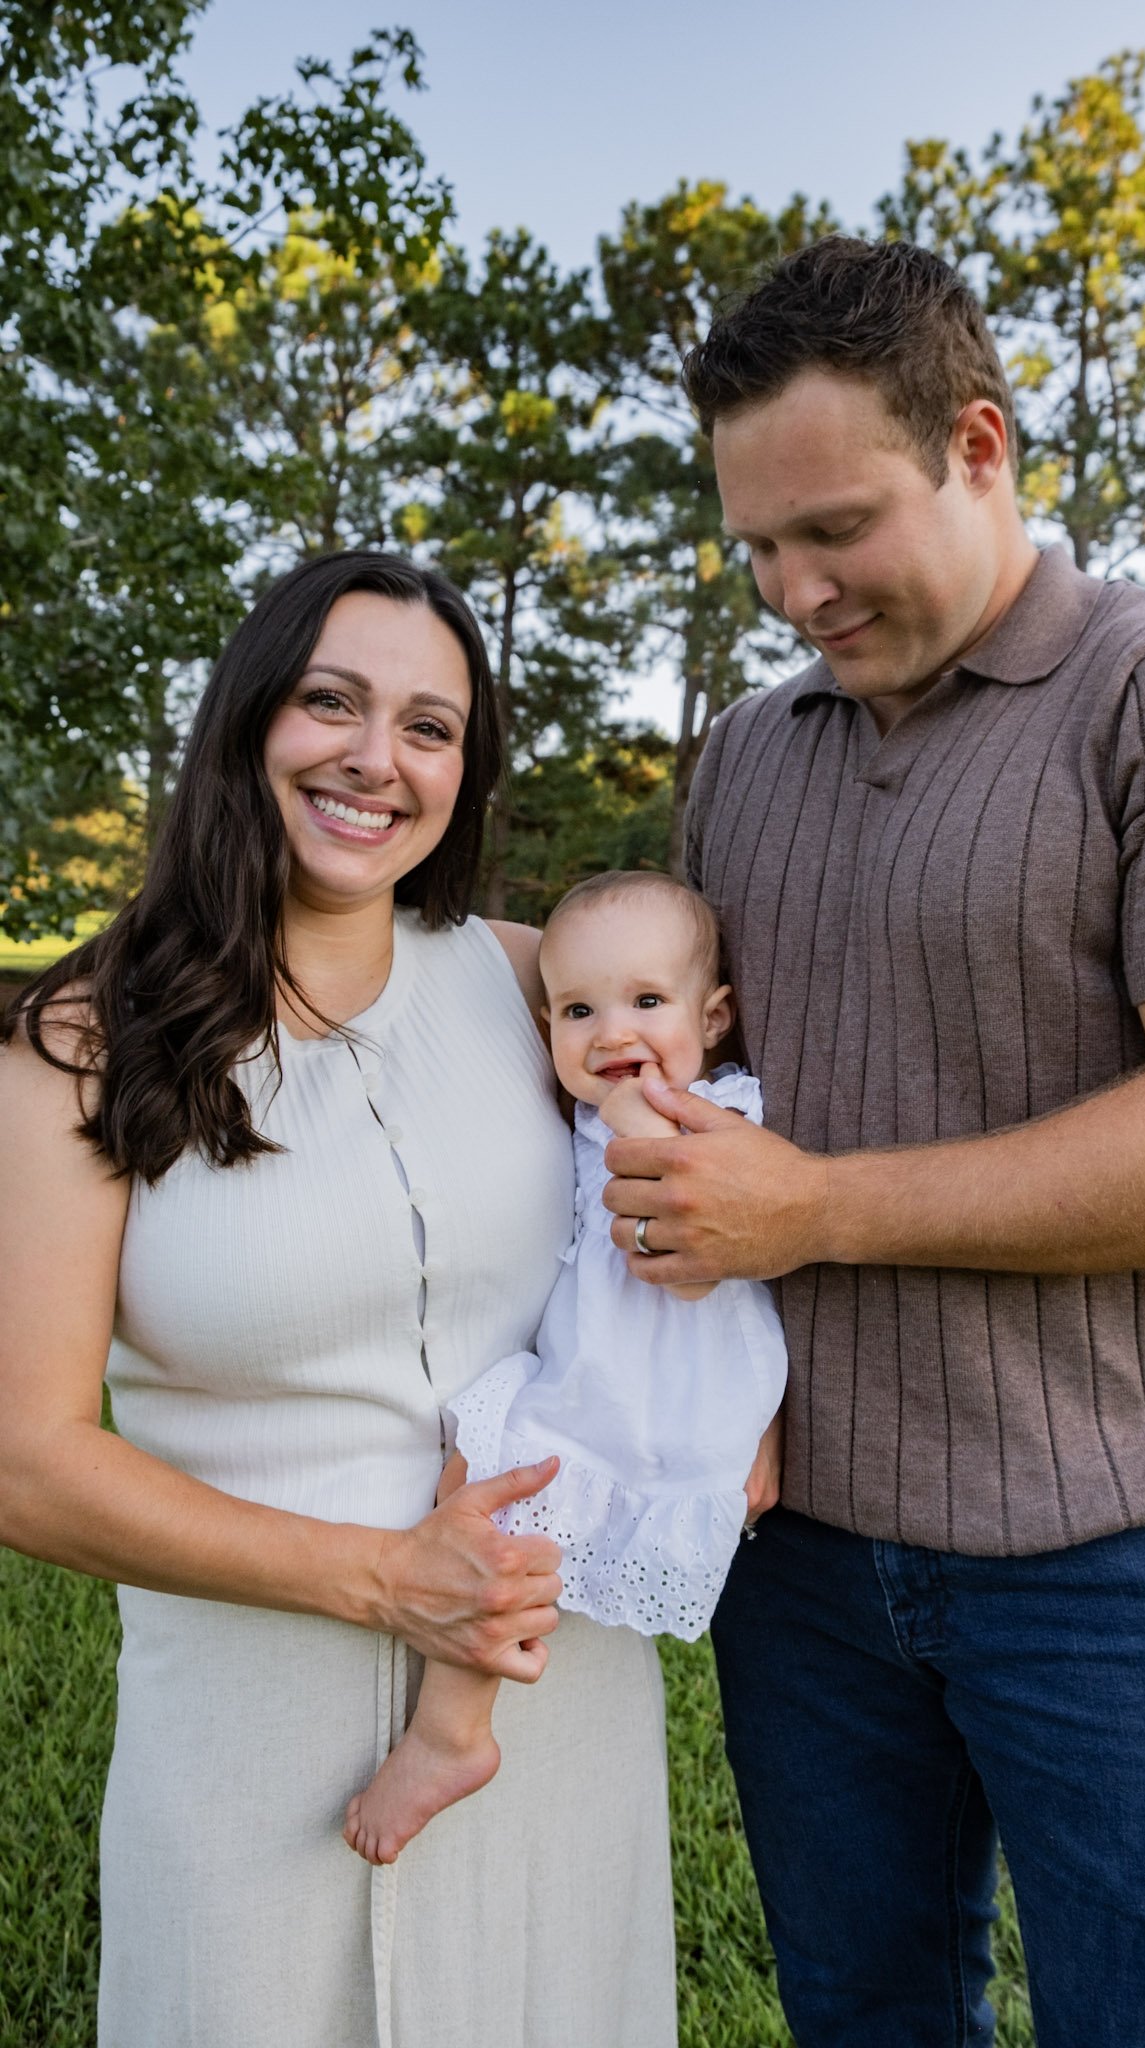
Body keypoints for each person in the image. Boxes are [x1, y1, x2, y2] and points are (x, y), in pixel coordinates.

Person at [597, 237, 1145, 2047]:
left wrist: (819, 1209)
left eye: (835, 529)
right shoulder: (745, 757)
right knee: (865, 2017)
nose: (793, 589)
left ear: (979, 445)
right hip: (801, 1565)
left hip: (1122, 1558)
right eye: (756, 546)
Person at [0, 552, 676, 2048]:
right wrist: (381, 1576)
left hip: (547, 1696)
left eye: (431, 728)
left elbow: (705, 1197)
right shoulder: (82, 1043)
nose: (378, 759)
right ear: (248, 719)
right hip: (252, 1729)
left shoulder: (530, 986)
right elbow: (23, 1459)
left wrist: (742, 1408)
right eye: (332, 703)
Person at [345, 870, 787, 1865]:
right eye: (578, 1011)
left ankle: (450, 1734)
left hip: (667, 1392)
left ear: (713, 1018)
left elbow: (687, 1269)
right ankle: (457, 1720)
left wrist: (634, 1118)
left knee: (502, 1508)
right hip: (599, 1376)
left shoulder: (721, 1115)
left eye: (646, 1000)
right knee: (487, 1499)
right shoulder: (586, 1119)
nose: (611, 1031)